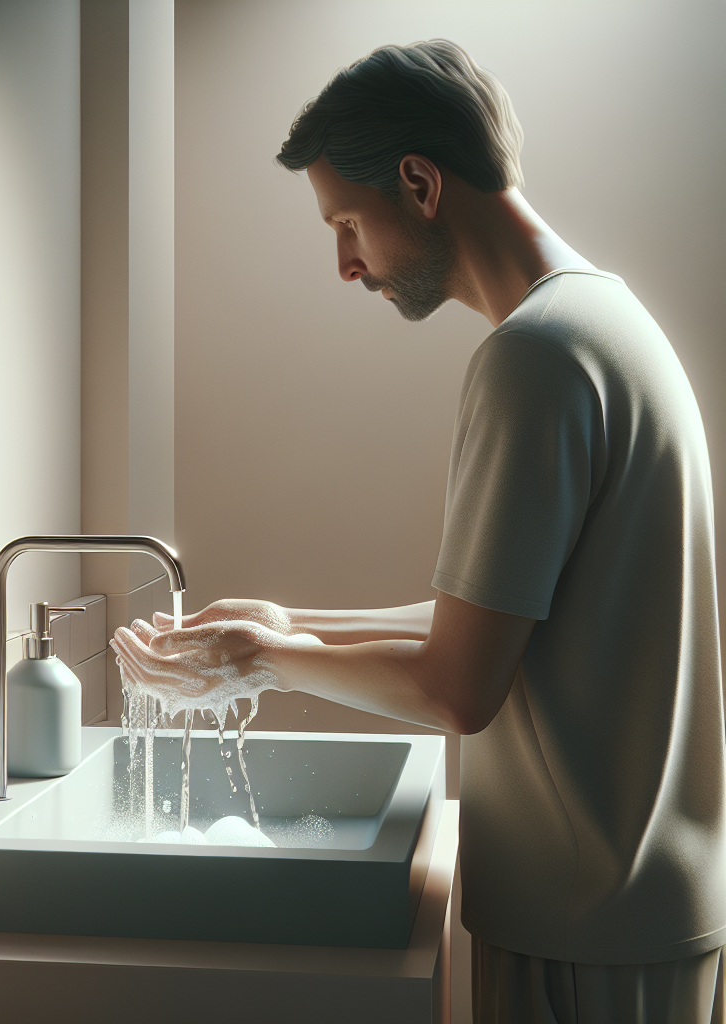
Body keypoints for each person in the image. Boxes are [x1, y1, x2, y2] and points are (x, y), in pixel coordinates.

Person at [111, 39, 725, 1023]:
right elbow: (491, 625)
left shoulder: (533, 359)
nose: (345, 264)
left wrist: (267, 655)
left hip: (582, 926)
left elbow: (456, 686)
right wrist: (282, 622)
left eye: (346, 222)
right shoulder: (601, 325)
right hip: (635, 904)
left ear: (418, 182)